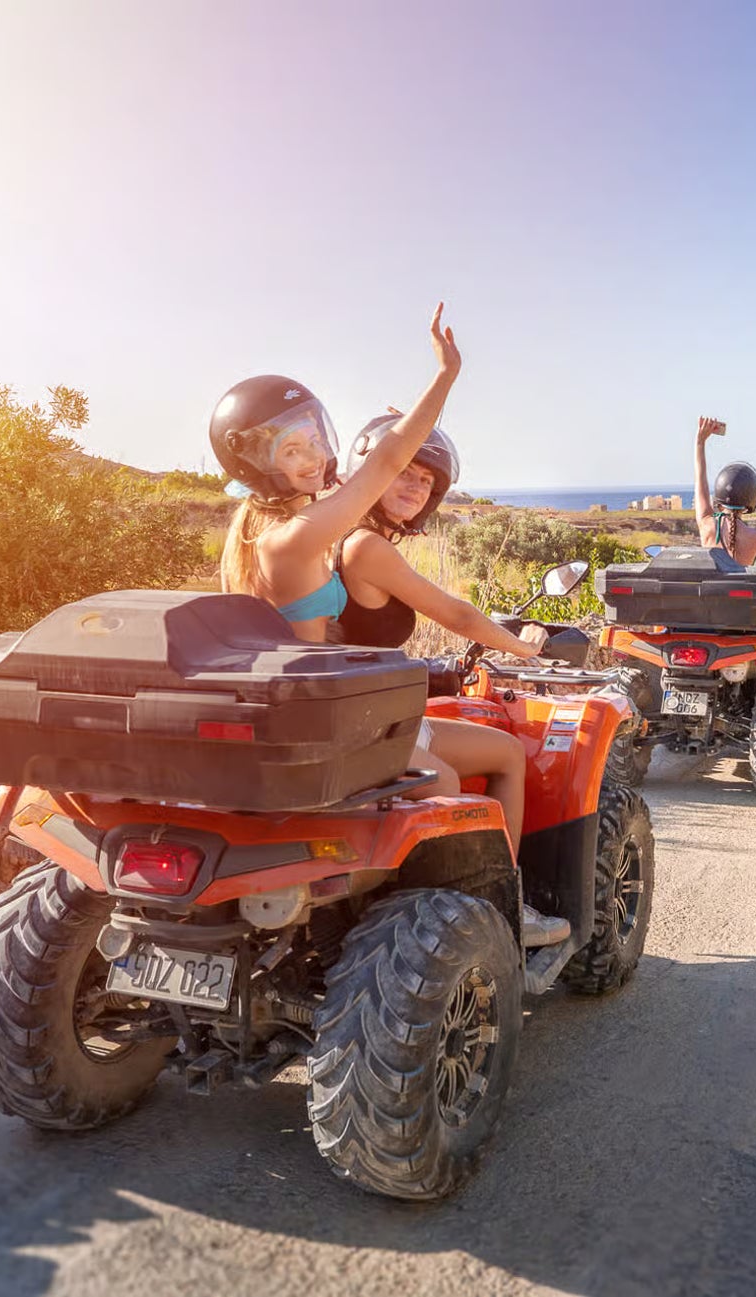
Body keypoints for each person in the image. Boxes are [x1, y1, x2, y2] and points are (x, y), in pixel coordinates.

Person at [329, 414, 569, 946]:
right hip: (361, 727)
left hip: (370, 710)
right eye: (404, 473)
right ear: (371, 471)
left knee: (506, 753)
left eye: (426, 481)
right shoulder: (365, 546)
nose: (416, 488)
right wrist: (526, 646)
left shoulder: (337, 536)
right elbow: (456, 616)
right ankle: (475, 922)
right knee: (446, 788)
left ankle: (505, 899)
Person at [212, 303, 461, 641]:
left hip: (318, 684)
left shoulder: (257, 534)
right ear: (255, 466)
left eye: (315, 441)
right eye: (291, 450)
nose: (313, 457)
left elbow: (369, 473)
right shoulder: (293, 539)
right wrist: (446, 375)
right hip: (315, 690)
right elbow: (386, 460)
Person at [691, 417, 756, 573]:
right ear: (752, 496)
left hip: (710, 594)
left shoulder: (706, 523)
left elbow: (700, 479)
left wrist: (700, 442)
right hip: (740, 596)